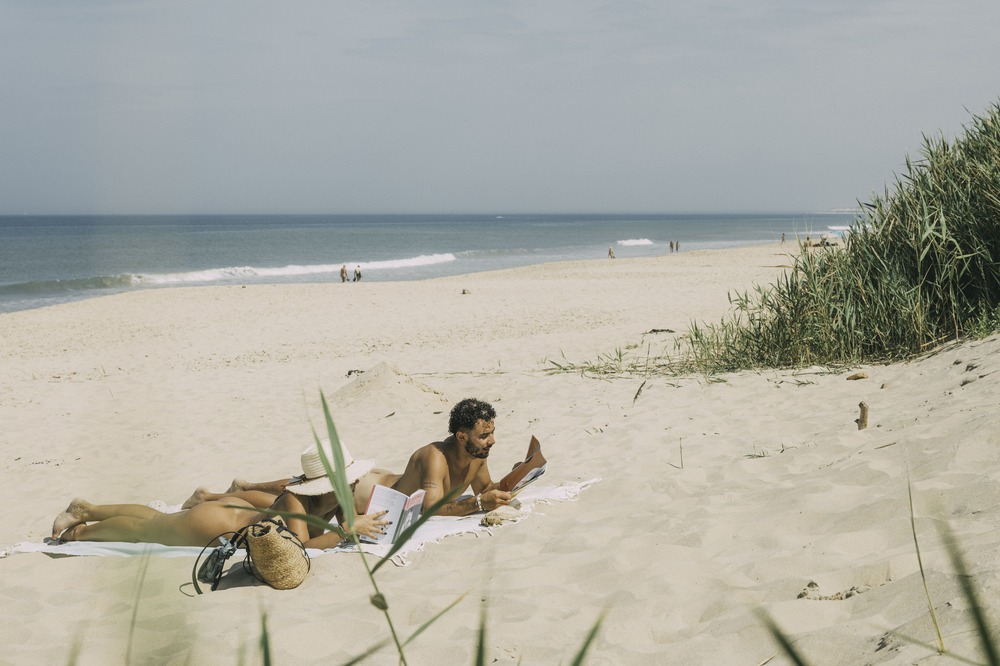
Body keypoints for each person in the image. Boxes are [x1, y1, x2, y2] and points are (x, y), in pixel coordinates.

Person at [184, 398, 514, 518]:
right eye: (485, 435)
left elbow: (486, 490)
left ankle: (245, 484)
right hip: (367, 494)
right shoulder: (435, 457)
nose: (492, 440)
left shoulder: (478, 455)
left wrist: (517, 479)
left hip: (386, 481)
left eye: (491, 433)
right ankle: (211, 496)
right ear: (461, 436)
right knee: (299, 496)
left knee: (301, 490)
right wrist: (480, 505)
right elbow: (431, 508)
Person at [50, 440, 391, 548]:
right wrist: (347, 533)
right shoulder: (296, 499)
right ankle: (82, 529)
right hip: (217, 524)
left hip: (234, 512)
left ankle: (88, 508)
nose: (353, 482)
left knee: (159, 520)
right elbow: (299, 547)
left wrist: (359, 524)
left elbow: (351, 522)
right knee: (148, 529)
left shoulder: (342, 492)